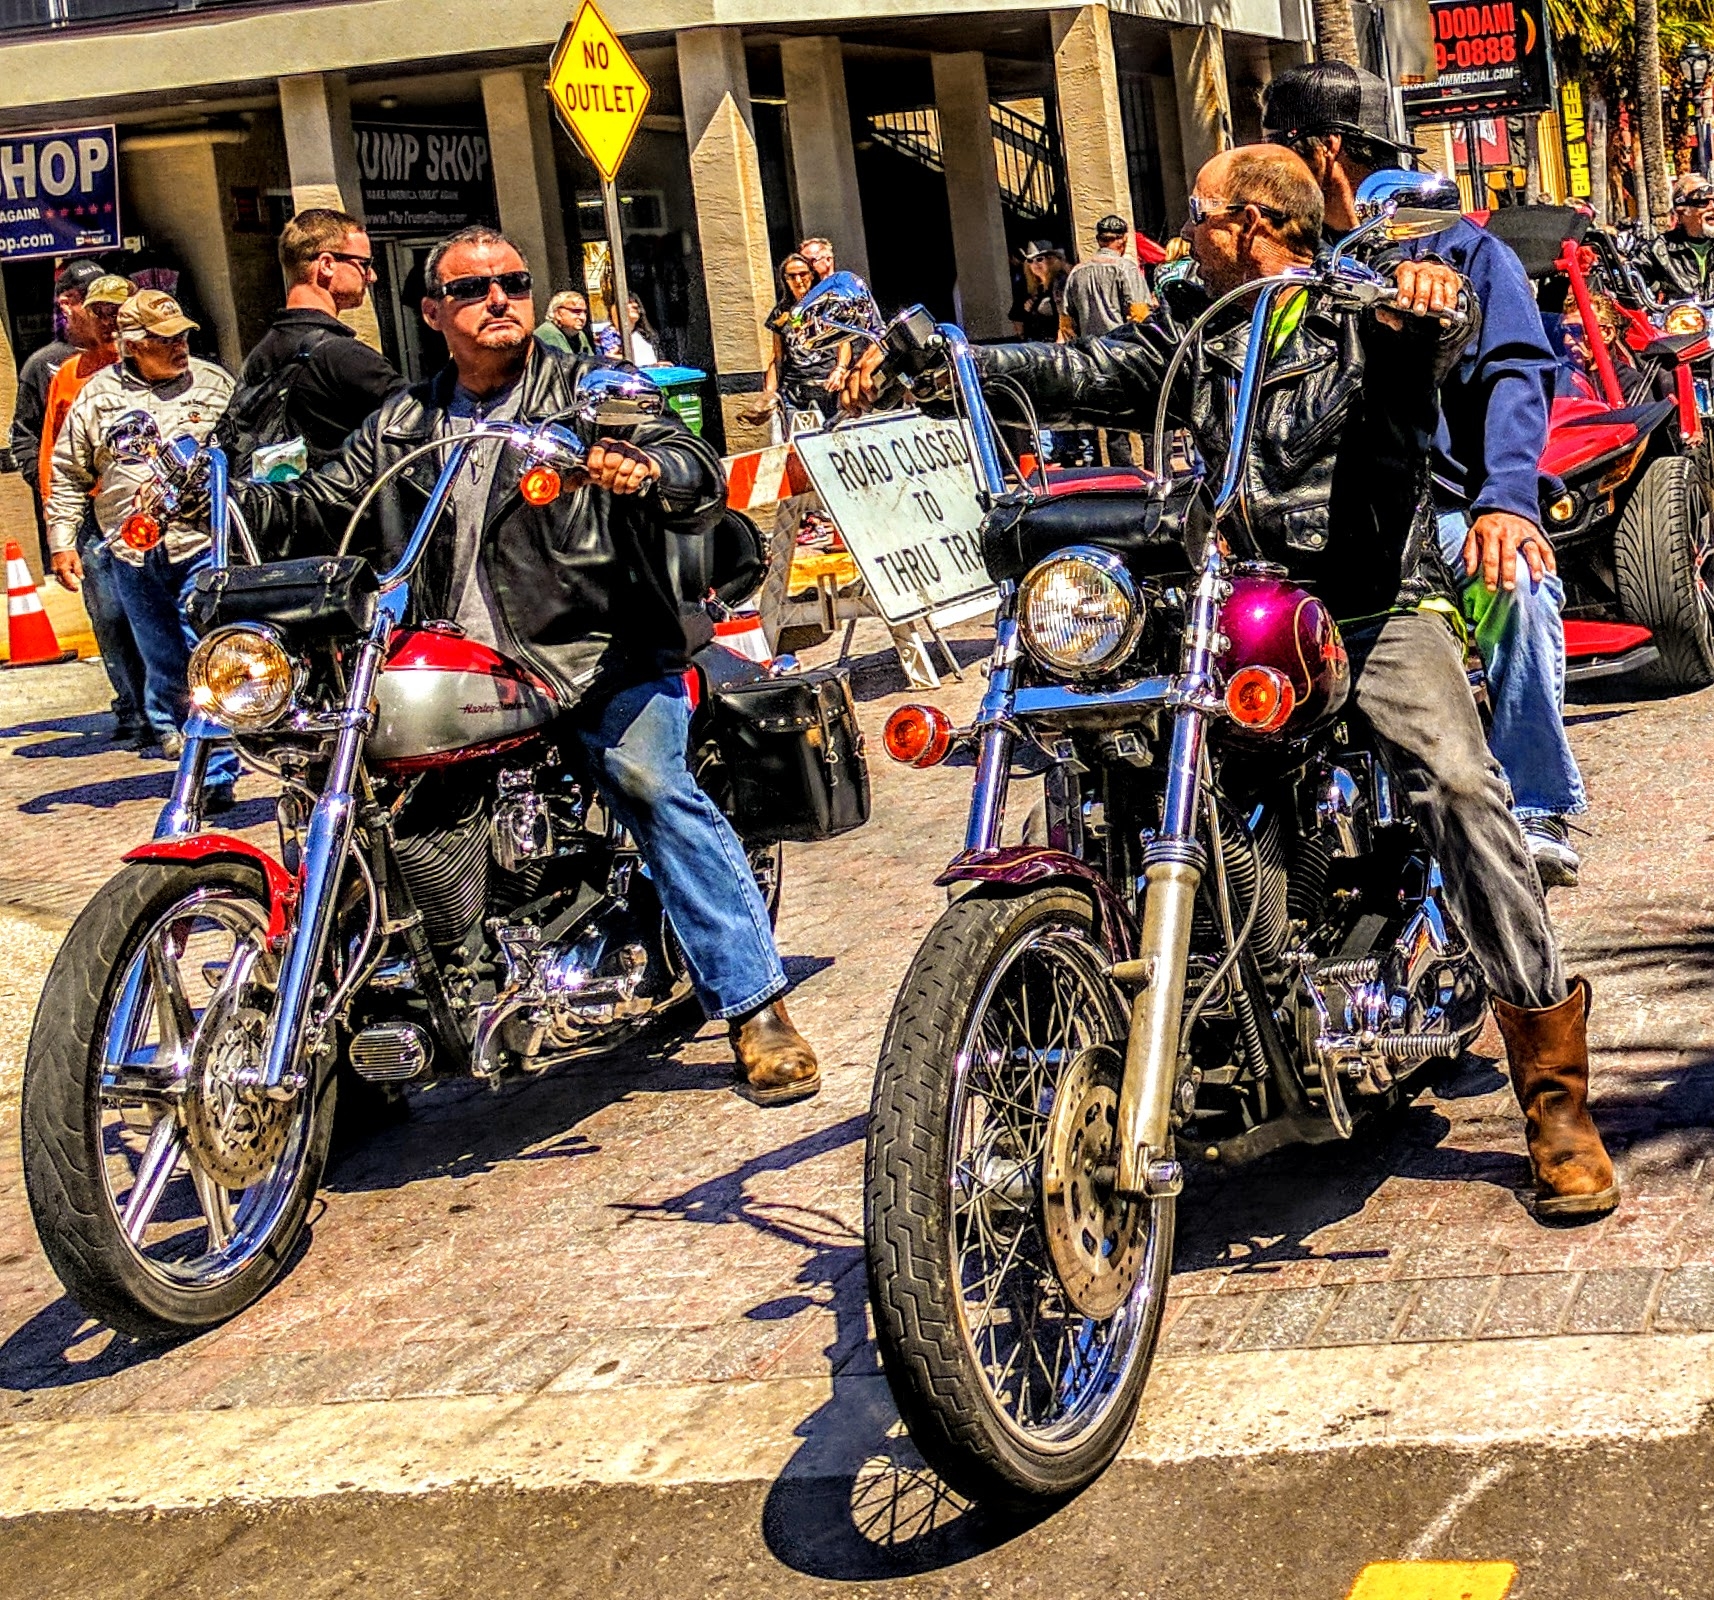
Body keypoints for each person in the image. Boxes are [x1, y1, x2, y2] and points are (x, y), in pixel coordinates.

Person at [850, 145, 1620, 1220]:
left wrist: (1426, 307)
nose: (1182, 236)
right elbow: (1078, 370)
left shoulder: (1367, 315)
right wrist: (949, 362)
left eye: (1199, 217)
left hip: (1368, 601)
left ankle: (1553, 1097)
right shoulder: (1193, 337)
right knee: (1104, 740)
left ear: (1253, 224)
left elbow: (1420, 362)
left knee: (1457, 783)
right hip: (1216, 599)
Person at [235, 224, 821, 1105]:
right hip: (454, 663)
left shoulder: (585, 393)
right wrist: (221, 502)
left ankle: (754, 1006)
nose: (499, 299)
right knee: (343, 793)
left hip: (594, 650)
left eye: (512, 280)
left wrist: (644, 467)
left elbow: (687, 460)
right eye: (472, 290)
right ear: (433, 312)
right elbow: (325, 504)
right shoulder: (403, 421)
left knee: (649, 780)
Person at [1263, 61, 1588, 889]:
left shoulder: (1450, 247)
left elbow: (1516, 372)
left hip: (1435, 511)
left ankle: (1536, 803)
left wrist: (1507, 501)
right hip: (1299, 519)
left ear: (1324, 149)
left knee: (1513, 584)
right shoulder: (1278, 259)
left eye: (1281, 145)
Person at [46, 291, 242, 807]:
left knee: (203, 650)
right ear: (132, 345)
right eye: (165, 338)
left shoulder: (216, 385)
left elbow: (252, 453)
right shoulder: (96, 397)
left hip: (204, 544)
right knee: (165, 660)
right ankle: (189, 756)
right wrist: (62, 542)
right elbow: (66, 473)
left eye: (182, 335)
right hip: (132, 553)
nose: (180, 346)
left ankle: (216, 771)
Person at [34, 271, 150, 746]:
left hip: (152, 514)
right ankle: (134, 706)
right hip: (95, 517)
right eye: (99, 313)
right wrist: (59, 536)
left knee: (161, 613)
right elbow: (53, 458)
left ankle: (175, 708)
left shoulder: (155, 368)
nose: (108, 324)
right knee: (111, 612)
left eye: (117, 315)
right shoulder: (66, 375)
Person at [222, 208, 402, 477]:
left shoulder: (262, 352)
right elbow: (423, 422)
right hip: (336, 515)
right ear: (327, 264)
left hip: (275, 510)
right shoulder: (342, 355)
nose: (372, 276)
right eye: (364, 264)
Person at [1062, 213, 1153, 465]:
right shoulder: (1125, 268)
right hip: (1126, 353)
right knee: (1149, 415)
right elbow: (1139, 315)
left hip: (1092, 357)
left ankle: (1124, 475)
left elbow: (1067, 323)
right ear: (1122, 241)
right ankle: (1157, 473)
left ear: (1099, 239)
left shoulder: (1076, 273)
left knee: (1112, 422)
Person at [742, 253, 849, 433]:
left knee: (835, 438)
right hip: (795, 393)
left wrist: (840, 369)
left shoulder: (827, 305)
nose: (798, 280)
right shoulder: (780, 313)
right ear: (785, 280)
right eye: (792, 276)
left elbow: (844, 343)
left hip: (828, 389)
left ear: (811, 275)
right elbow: (777, 357)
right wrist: (769, 394)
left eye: (803, 274)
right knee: (797, 444)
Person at [1638, 174, 1714, 302]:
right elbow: (1632, 287)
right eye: (1702, 202)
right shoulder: (1657, 250)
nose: (1712, 207)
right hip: (1683, 319)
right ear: (1682, 209)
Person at [535, 289, 597, 356]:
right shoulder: (548, 333)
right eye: (576, 311)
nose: (583, 317)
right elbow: (565, 364)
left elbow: (591, 362)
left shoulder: (578, 334)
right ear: (558, 313)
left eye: (585, 312)